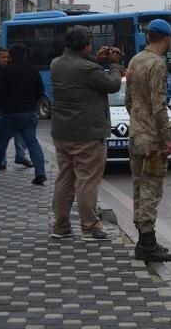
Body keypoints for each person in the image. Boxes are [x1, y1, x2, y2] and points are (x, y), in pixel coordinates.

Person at [49, 26, 124, 240]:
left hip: (62, 132)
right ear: (86, 46)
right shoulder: (88, 69)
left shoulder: (56, 64)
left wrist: (95, 60)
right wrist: (114, 64)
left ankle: (61, 226)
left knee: (64, 179)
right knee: (87, 181)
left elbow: (82, 72)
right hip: (87, 135)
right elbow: (112, 84)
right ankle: (90, 226)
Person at [126, 19, 171, 263]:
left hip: (136, 135)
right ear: (166, 39)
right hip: (152, 140)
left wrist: (138, 123)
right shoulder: (158, 65)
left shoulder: (135, 60)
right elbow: (159, 107)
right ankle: (148, 243)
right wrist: (167, 139)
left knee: (138, 186)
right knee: (151, 190)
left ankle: (142, 240)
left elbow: (128, 100)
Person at [0, 44, 46, 185]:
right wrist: (32, 104)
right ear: (25, 55)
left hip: (10, 113)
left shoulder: (7, 71)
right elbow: (40, 92)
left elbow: (0, 93)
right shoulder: (33, 71)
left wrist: (4, 109)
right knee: (32, 142)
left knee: (1, 143)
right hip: (30, 113)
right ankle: (40, 173)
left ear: (11, 56)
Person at [0, 47, 32, 170]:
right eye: (2, 57)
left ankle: (20, 155)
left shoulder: (11, 70)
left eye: (7, 57)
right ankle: (1, 161)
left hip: (14, 108)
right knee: (1, 134)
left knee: (20, 131)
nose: (5, 59)